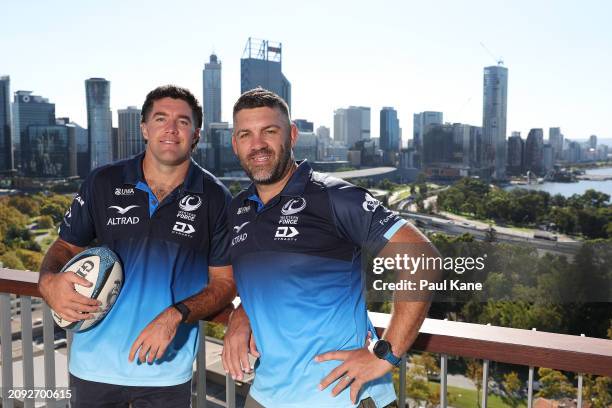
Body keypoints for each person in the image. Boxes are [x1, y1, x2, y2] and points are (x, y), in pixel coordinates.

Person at [222, 88, 438, 408]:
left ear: (292, 135)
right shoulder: (239, 208)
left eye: (270, 131)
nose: (258, 145)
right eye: (246, 134)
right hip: (266, 393)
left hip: (341, 396)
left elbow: (420, 258)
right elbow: (266, 279)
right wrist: (242, 313)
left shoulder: (332, 197)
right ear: (234, 144)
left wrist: (385, 354)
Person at [38, 85, 236, 408]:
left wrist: (175, 315)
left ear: (196, 134)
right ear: (144, 128)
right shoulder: (103, 182)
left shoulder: (215, 198)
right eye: (160, 119)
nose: (171, 129)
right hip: (93, 368)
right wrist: (48, 282)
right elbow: (65, 247)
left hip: (166, 372)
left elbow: (225, 284)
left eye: (183, 122)